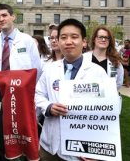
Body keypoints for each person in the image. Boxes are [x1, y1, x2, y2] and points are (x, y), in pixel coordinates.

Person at [35, 18, 108, 160]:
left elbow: (106, 113)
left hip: (80, 150)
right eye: (63, 37)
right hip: (49, 147)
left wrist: (95, 148)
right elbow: (38, 95)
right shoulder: (50, 69)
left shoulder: (97, 72)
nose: (68, 42)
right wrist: (49, 107)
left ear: (84, 42)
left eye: (74, 37)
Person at [0, 3, 42, 161]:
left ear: (13, 16)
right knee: (4, 140)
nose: (1, 19)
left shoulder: (27, 41)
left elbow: (36, 70)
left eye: (4, 15)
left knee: (24, 138)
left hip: (22, 99)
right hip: (1, 100)